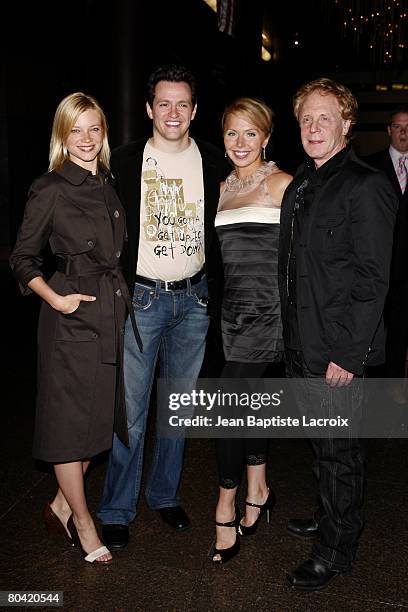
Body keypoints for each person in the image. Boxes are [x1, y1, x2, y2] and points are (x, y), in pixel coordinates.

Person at [97, 64, 228, 550]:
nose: (173, 112)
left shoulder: (215, 162)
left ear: (194, 111)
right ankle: (115, 508)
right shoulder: (125, 162)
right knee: (130, 413)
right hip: (143, 298)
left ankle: (164, 495)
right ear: (150, 108)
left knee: (178, 409)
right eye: (164, 103)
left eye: (183, 104)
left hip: (195, 300)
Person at [9, 92, 141, 563]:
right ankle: (84, 523)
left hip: (108, 313)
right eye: (75, 130)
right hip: (70, 317)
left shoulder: (105, 180)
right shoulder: (50, 186)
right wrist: (56, 298)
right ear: (62, 136)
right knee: (71, 428)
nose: (86, 139)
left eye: (94, 129)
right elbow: (22, 258)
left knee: (99, 425)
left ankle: (62, 502)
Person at [278, 78, 397, 590]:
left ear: (347, 124)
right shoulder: (303, 180)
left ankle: (336, 549)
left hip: (337, 348)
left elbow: (374, 280)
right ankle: (332, 518)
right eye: (306, 118)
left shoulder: (366, 184)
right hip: (302, 341)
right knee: (322, 444)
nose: (313, 127)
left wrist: (348, 356)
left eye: (325, 117)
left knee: (340, 453)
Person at [212, 97, 292, 564]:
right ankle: (259, 487)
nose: (241, 143)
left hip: (269, 314)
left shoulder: (283, 185)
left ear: (266, 137)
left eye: (250, 133)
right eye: (231, 133)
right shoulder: (221, 187)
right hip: (233, 313)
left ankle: (226, 501)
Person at [365, 107, 408, 402]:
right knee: (376, 329)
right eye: (398, 126)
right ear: (389, 130)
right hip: (378, 263)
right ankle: (376, 395)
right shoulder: (369, 167)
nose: (404, 132)